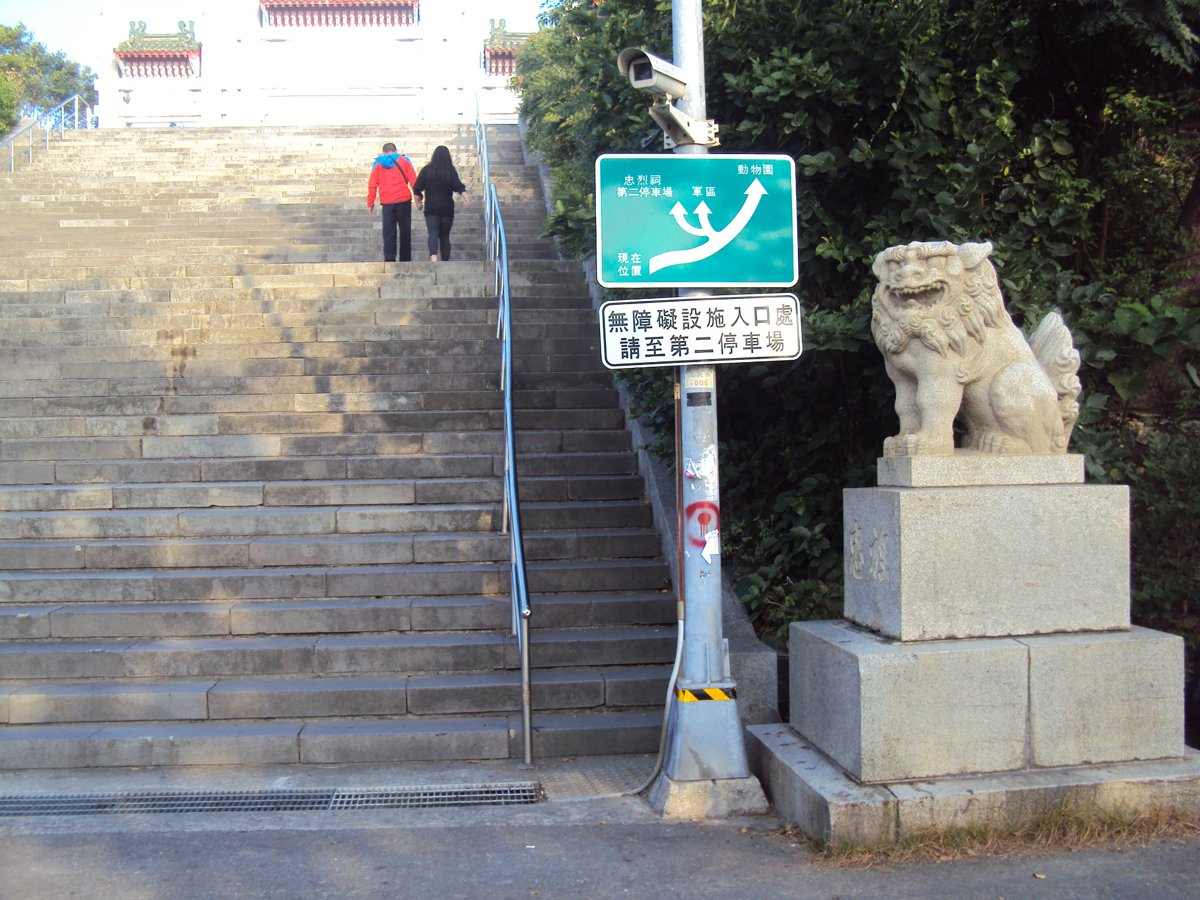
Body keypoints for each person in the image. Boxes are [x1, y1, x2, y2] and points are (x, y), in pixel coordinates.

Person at [412, 145, 471, 262]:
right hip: (447, 208)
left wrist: (418, 202)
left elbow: (417, 188)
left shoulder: (427, 170)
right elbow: (458, 186)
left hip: (432, 208)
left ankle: (433, 258)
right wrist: (466, 197)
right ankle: (445, 262)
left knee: (433, 233)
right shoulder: (450, 170)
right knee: (445, 237)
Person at [366, 142, 418, 262]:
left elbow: (372, 184)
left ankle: (389, 258)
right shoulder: (405, 161)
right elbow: (413, 180)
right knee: (405, 231)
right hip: (404, 200)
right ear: (396, 150)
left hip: (387, 202)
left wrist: (371, 202)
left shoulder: (378, 163)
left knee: (389, 232)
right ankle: (405, 259)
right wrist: (419, 198)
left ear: (383, 152)